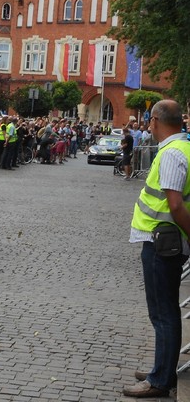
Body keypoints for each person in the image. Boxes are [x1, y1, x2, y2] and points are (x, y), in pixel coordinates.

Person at [123, 99, 190, 398]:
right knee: (164, 312)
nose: (149, 125)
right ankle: (160, 368)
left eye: (150, 120)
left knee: (162, 313)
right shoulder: (181, 148)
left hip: (163, 242)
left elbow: (175, 205)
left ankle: (161, 379)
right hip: (164, 240)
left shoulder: (173, 153)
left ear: (156, 121)